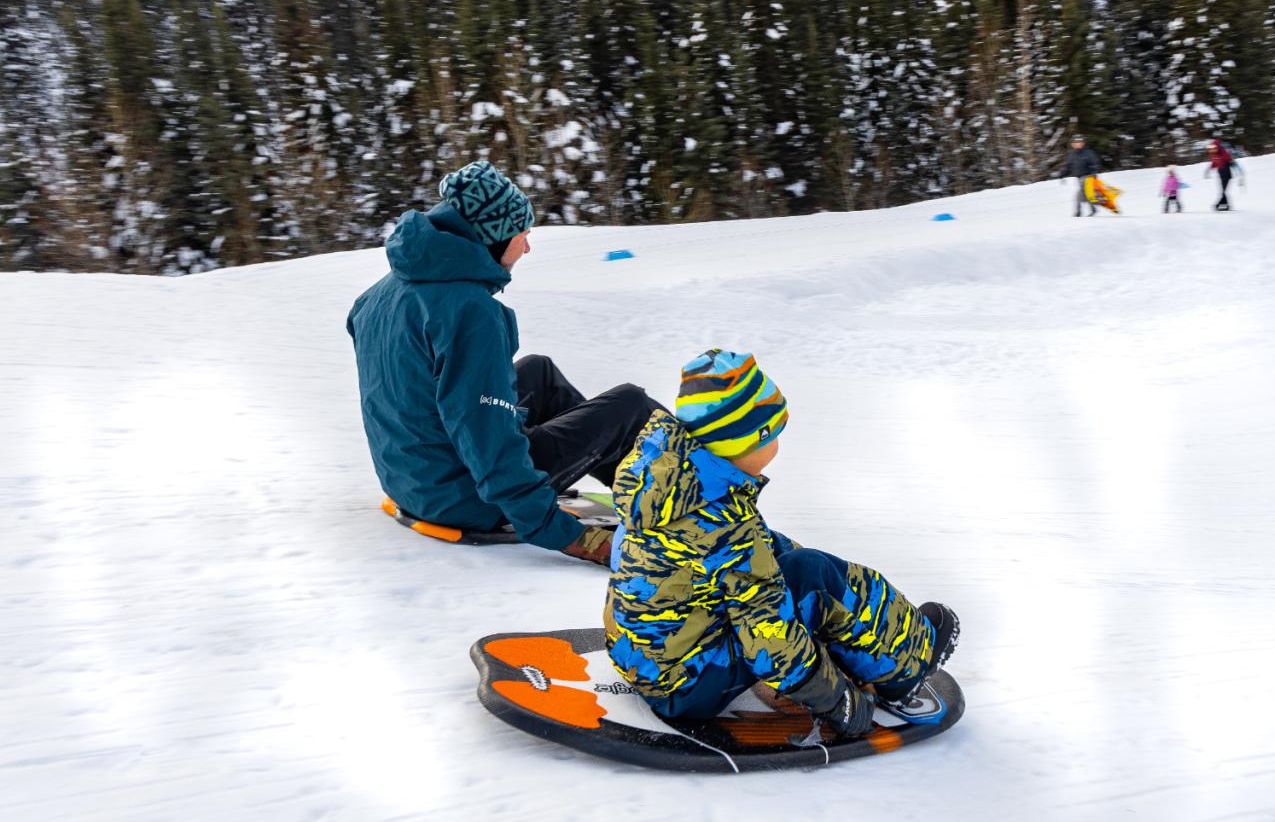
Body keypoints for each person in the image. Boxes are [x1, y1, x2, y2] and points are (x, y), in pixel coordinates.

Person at [604, 350, 960, 736]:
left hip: (648, 658)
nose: (778, 445)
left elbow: (748, 555)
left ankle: (862, 637)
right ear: (741, 441)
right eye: (772, 435)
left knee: (790, 563)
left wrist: (787, 575)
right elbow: (771, 640)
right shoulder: (723, 519)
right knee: (816, 575)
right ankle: (907, 664)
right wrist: (837, 699)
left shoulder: (670, 483)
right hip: (690, 686)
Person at [346, 160, 666, 565]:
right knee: (628, 405)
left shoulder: (380, 294)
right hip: (466, 498)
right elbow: (486, 437)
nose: (527, 247)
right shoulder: (471, 312)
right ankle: (701, 497)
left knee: (540, 373)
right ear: (493, 237)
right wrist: (566, 535)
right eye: (523, 235)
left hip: (414, 482)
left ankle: (643, 483)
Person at [1061, 137, 1105, 217]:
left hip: (1088, 176)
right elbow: (1068, 166)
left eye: (1080, 142)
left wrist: (1093, 173)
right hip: (1078, 177)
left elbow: (1095, 164)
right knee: (1085, 193)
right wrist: (1062, 174)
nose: (1078, 144)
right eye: (1075, 143)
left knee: (1080, 193)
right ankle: (1093, 209)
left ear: (1083, 143)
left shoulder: (1088, 153)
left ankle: (1078, 212)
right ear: (1072, 144)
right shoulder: (1071, 154)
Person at [1204, 139, 1237, 211]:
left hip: (1227, 173)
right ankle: (1226, 205)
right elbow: (1214, 163)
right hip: (1221, 174)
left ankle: (1218, 204)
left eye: (1214, 148)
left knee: (1223, 191)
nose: (1212, 150)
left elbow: (1230, 159)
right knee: (1223, 191)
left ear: (1217, 147)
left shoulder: (1223, 152)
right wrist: (1208, 170)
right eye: (1211, 148)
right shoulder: (1213, 154)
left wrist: (1232, 163)